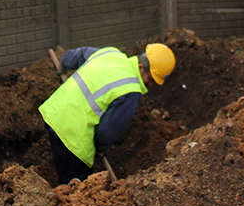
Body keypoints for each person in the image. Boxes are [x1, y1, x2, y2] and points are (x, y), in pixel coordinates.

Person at [39, 43, 176, 185]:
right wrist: (101, 149)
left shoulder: (111, 54)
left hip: (54, 114)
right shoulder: (131, 90)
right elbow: (107, 131)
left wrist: (65, 62)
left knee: (65, 174)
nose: (151, 85)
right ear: (142, 68)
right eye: (152, 79)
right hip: (73, 138)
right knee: (76, 191)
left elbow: (79, 55)